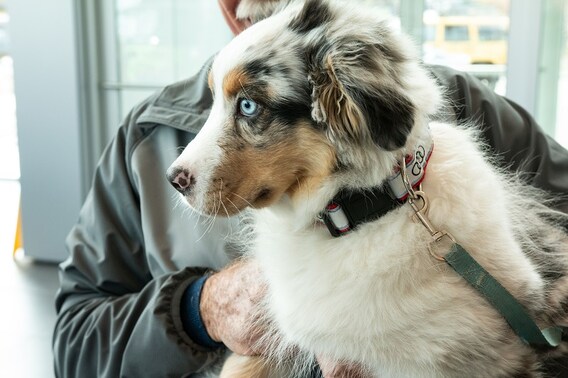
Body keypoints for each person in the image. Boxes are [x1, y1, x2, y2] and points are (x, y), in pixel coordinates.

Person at [52, 0, 568, 377]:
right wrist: (200, 308)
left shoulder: (437, 105)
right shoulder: (146, 137)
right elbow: (76, 342)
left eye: (251, 107)